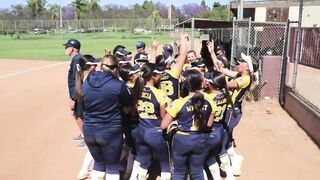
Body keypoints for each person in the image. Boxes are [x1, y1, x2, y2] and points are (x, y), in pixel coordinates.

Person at [81, 54, 132, 179]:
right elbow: (128, 108)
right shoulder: (118, 85)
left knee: (98, 163)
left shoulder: (88, 80)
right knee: (112, 166)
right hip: (110, 131)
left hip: (89, 130)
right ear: (115, 68)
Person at [161, 69, 216, 180]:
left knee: (179, 173)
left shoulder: (178, 103)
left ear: (185, 85)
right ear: (201, 84)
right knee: (197, 172)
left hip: (181, 140)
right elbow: (209, 125)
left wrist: (175, 122)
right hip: (200, 139)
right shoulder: (210, 101)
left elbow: (163, 125)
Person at [131, 63, 171, 180]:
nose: (161, 76)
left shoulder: (137, 90)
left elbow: (134, 112)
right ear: (153, 76)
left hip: (141, 131)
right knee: (165, 164)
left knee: (143, 161)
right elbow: (163, 118)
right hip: (156, 133)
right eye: (159, 74)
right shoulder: (160, 94)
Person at [203, 72, 236, 180]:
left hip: (210, 130)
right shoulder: (225, 94)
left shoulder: (208, 97)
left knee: (208, 157)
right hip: (220, 129)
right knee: (222, 152)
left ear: (212, 84)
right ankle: (230, 175)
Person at [75, 55, 100, 180]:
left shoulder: (81, 83)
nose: (96, 67)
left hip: (90, 123)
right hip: (97, 122)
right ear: (90, 67)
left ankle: (84, 171)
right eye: (94, 65)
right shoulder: (90, 84)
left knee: (92, 149)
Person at [63, 38, 86, 148]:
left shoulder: (77, 59)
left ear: (73, 48)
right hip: (77, 91)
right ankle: (83, 134)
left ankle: (86, 138)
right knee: (76, 114)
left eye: (67, 47)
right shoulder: (76, 59)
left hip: (78, 92)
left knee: (79, 115)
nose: (65, 48)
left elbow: (78, 78)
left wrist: (75, 96)